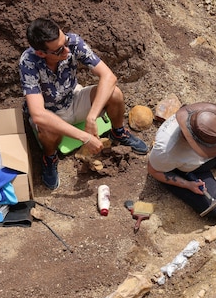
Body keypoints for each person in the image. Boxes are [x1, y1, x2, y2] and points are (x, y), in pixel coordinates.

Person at [20, 18, 148, 190]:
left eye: (64, 41)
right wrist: (85, 137)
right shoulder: (29, 62)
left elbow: (109, 77)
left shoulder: (72, 42)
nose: (67, 50)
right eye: (59, 50)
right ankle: (49, 157)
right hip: (51, 112)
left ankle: (117, 132)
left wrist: (92, 117)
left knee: (115, 93)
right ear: (41, 53)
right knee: (45, 127)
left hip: (74, 97)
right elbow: (38, 114)